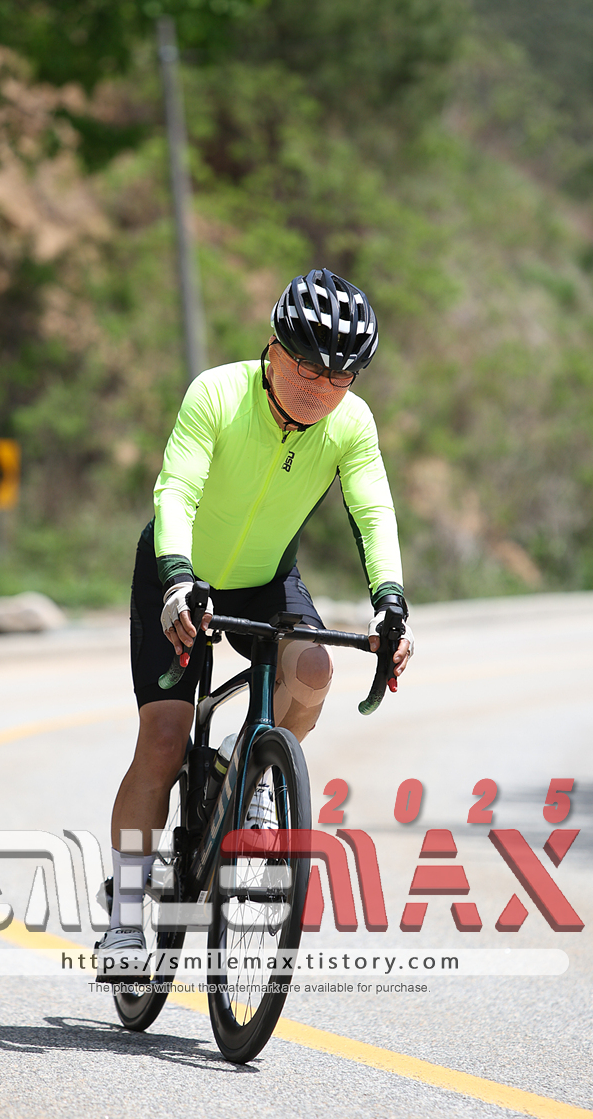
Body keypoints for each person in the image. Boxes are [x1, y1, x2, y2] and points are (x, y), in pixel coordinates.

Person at [96, 268, 414, 963]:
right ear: (274, 348)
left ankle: (251, 777)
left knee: (314, 668)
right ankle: (123, 915)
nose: (320, 389)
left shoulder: (350, 423)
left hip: (266, 581)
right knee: (165, 738)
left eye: (341, 377)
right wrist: (177, 580)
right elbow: (176, 490)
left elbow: (373, 510)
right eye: (307, 368)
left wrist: (390, 601)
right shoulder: (216, 393)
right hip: (178, 572)